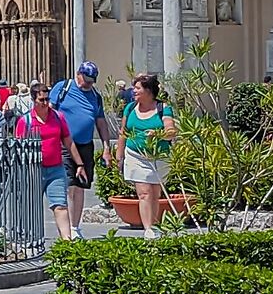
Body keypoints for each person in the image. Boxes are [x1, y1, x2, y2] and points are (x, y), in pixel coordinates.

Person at [49, 63, 111, 236]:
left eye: (92, 81)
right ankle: (66, 228)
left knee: (80, 186)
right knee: (69, 185)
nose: (89, 83)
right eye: (86, 79)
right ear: (78, 74)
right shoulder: (63, 87)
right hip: (64, 144)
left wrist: (106, 147)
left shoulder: (95, 96)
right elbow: (50, 111)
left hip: (85, 145)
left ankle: (75, 227)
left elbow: (101, 122)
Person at [15, 81, 80, 242]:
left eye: (47, 99)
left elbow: (68, 141)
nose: (45, 103)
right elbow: (18, 147)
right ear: (33, 100)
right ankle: (28, 240)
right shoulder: (25, 121)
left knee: (60, 205)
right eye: (41, 100)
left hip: (55, 169)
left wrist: (79, 163)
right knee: (31, 206)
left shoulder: (58, 117)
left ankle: (67, 241)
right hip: (33, 170)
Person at [121, 75, 178, 231]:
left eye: (137, 88)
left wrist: (158, 135)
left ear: (148, 91)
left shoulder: (163, 108)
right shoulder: (130, 108)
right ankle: (148, 230)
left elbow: (171, 131)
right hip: (135, 154)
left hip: (158, 156)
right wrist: (118, 156)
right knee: (144, 193)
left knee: (155, 193)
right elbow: (123, 132)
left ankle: (153, 225)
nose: (133, 91)